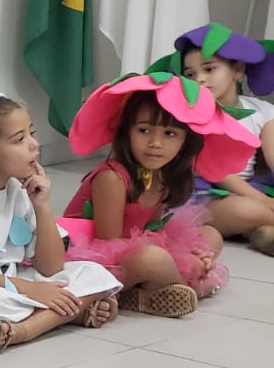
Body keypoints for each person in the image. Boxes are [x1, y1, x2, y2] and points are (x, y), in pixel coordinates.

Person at [0, 89, 121, 351]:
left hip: (12, 280)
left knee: (92, 272)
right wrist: (30, 290)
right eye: (19, 139)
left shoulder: (18, 190)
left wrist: (42, 206)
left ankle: (21, 327)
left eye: (32, 133)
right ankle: (64, 314)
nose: (34, 145)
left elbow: (51, 267)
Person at [61, 73, 258, 317]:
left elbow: (152, 230)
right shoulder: (112, 178)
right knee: (154, 259)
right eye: (144, 130)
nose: (155, 143)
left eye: (170, 134)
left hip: (130, 252)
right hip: (91, 261)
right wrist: (180, 258)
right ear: (126, 132)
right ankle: (179, 287)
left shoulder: (162, 175)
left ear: (185, 142)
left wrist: (188, 255)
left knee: (211, 236)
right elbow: (109, 244)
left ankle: (154, 288)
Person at [162, 23, 274, 254]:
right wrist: (262, 201)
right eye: (190, 74)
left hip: (249, 189)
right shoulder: (189, 115)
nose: (199, 79)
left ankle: (261, 232)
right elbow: (214, 170)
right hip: (202, 196)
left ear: (237, 70)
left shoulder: (262, 111)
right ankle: (256, 222)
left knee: (253, 211)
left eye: (209, 69)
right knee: (246, 209)